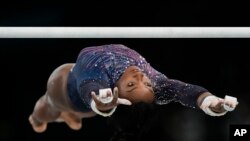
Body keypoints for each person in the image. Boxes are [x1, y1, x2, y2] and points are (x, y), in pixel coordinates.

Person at [28, 44, 238, 133]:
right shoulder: (155, 82)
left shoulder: (97, 76)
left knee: (43, 113)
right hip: (92, 105)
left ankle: (46, 115)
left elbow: (90, 85)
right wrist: (208, 101)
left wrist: (99, 105)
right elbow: (182, 91)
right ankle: (74, 117)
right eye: (146, 83)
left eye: (131, 85)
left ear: (114, 90)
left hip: (62, 90)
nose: (140, 75)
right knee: (78, 115)